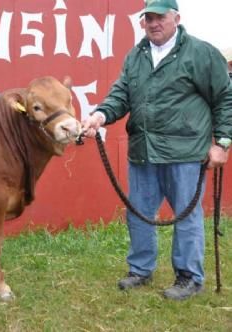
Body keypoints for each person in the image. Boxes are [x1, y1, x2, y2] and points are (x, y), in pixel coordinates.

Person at [81, 0, 232, 300]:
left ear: (176, 17)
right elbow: (120, 95)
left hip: (186, 153)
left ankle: (189, 277)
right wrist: (99, 115)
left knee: (187, 217)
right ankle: (140, 270)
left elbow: (225, 98)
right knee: (138, 214)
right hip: (143, 151)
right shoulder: (135, 56)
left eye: (160, 17)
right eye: (148, 18)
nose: (153, 23)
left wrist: (223, 143)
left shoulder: (201, 54)